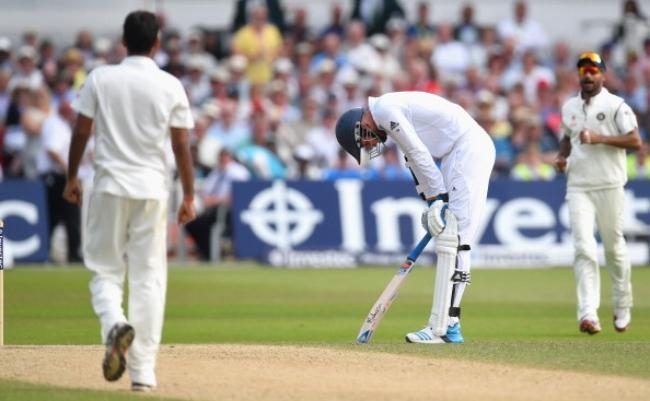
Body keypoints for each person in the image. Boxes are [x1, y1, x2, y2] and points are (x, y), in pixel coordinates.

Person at [63, 10, 196, 391]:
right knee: (149, 277)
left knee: (105, 269)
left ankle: (114, 325)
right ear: (157, 43)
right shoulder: (170, 85)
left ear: (124, 41)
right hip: (153, 190)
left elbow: (81, 132)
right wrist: (188, 195)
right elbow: (182, 145)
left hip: (108, 186)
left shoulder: (101, 78)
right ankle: (144, 373)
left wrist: (72, 177)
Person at [335, 91, 495, 343]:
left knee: (458, 240)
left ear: (361, 127)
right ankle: (444, 326)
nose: (371, 146)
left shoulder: (385, 111)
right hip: (457, 152)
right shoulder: (388, 112)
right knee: (451, 238)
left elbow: (419, 152)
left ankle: (446, 327)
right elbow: (413, 160)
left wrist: (439, 197)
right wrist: (432, 201)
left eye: (364, 143)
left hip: (469, 149)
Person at [554, 52, 642, 335]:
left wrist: (600, 137)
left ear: (602, 75)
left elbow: (635, 140)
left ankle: (622, 304)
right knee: (583, 248)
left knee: (614, 249)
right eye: (583, 71)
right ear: (578, 75)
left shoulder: (616, 106)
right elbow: (568, 138)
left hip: (610, 185)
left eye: (593, 70)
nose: (588, 75)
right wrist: (561, 158)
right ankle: (588, 313)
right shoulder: (569, 107)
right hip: (579, 185)